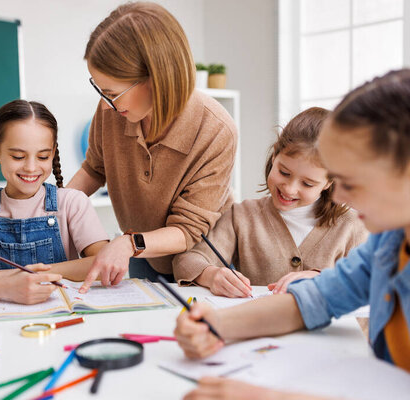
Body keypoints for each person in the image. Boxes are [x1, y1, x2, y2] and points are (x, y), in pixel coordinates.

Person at [174, 69, 410, 400]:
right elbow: (311, 301)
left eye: (352, 180)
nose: (339, 196)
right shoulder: (388, 246)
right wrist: (216, 324)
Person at [68, 2, 237, 293]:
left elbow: (187, 230)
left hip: (203, 264)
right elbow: (94, 169)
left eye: (112, 93)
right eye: (101, 91)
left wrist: (130, 243)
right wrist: (52, 210)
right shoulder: (111, 112)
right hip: (143, 255)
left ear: (155, 80)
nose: (107, 103)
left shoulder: (216, 129)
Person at [173, 107, 367, 297]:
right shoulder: (241, 216)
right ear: (274, 155)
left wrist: (326, 280)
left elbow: (373, 283)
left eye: (308, 184)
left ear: (329, 182)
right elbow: (187, 260)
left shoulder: (353, 225)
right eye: (284, 172)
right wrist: (211, 275)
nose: (289, 189)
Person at [0, 100, 108, 304]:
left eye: (42, 156)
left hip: (61, 315)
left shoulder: (72, 202)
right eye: (18, 156)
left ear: (53, 153)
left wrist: (32, 276)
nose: (31, 168)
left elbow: (103, 264)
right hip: (0, 319)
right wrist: (5, 287)